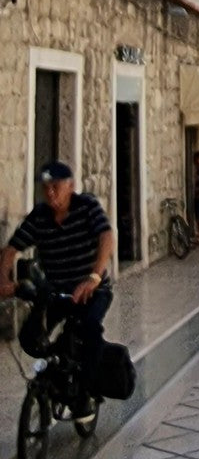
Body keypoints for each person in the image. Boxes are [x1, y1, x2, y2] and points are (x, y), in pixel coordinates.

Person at [0, 161, 114, 421]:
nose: (50, 192)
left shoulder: (87, 207)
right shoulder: (39, 215)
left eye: (56, 186)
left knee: (90, 329)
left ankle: (85, 394)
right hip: (57, 293)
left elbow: (106, 237)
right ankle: (59, 371)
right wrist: (3, 278)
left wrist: (94, 277)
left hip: (92, 291)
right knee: (30, 337)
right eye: (46, 187)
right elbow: (11, 250)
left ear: (70, 186)